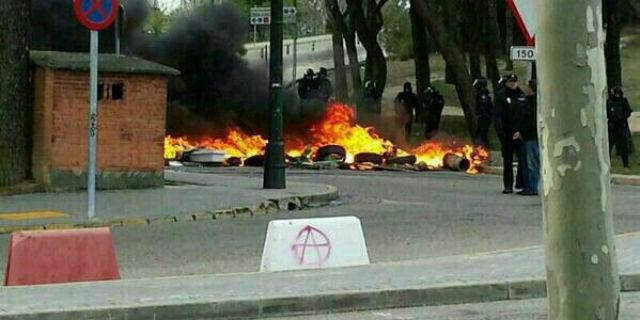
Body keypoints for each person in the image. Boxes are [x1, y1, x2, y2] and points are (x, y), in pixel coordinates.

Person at [493, 73, 527, 194]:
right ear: (506, 83)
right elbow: (497, 117)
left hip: (520, 133)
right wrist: (502, 134)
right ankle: (508, 185)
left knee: (522, 160)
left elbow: (525, 115)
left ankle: (520, 183)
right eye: (510, 81)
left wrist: (522, 131)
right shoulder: (501, 96)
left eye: (514, 81)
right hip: (507, 134)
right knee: (507, 161)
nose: (513, 83)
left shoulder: (522, 95)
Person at [515, 80, 540, 196]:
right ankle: (527, 186)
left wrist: (522, 132)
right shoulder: (528, 102)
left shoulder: (534, 104)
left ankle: (532, 187)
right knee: (526, 163)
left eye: (528, 87)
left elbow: (531, 121)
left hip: (531, 137)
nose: (525, 89)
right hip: (526, 137)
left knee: (532, 163)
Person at [607, 86, 633, 168]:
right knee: (609, 145)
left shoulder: (623, 101)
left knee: (624, 146)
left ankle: (626, 164)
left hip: (622, 126)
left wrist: (622, 117)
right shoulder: (609, 102)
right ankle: (607, 163)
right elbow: (607, 113)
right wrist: (612, 118)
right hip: (612, 126)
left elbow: (628, 111)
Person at [473, 77, 493, 148]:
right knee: (480, 133)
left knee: (482, 134)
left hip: (484, 116)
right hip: (484, 116)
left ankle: (484, 148)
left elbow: (483, 104)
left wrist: (480, 113)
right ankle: (481, 147)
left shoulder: (482, 93)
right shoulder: (482, 92)